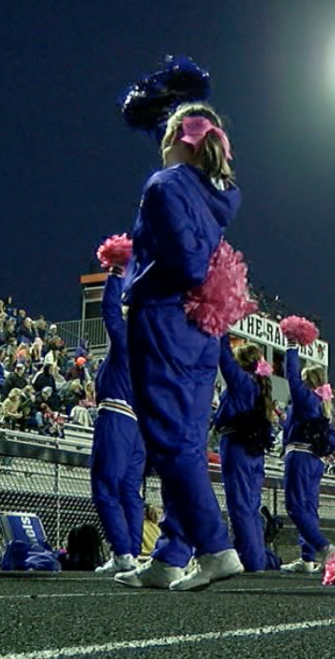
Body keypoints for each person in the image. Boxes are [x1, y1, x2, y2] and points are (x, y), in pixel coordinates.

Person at [117, 102, 244, 591]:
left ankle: (214, 547)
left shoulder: (165, 184)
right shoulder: (212, 194)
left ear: (175, 137)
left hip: (165, 316)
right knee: (186, 441)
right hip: (200, 326)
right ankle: (171, 553)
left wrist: (140, 280)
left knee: (170, 442)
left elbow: (189, 263)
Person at [91, 261, 146, 576]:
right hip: (138, 429)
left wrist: (114, 273)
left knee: (105, 487)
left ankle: (123, 551)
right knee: (129, 491)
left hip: (116, 417)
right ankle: (131, 552)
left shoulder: (128, 340)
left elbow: (110, 310)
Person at [211, 336, 275, 572]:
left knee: (240, 505)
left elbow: (224, 357)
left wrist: (220, 325)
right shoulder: (259, 386)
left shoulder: (242, 382)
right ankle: (253, 555)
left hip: (237, 445)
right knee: (251, 505)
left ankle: (252, 560)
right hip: (254, 451)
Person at [279, 342, 335, 573]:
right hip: (315, 461)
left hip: (300, 456)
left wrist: (292, 348)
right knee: (309, 508)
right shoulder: (324, 404)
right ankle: (307, 558)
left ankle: (324, 548)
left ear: (308, 381)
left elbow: (290, 377)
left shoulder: (305, 399)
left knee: (294, 506)